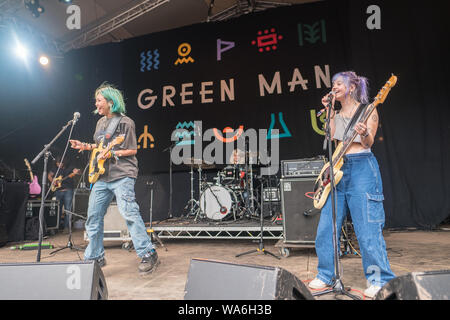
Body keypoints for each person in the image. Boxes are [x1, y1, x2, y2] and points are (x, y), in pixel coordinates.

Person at [308, 71, 395, 298]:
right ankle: (326, 275)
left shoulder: (368, 110)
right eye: (332, 84)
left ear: (352, 87)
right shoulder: (334, 113)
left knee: (367, 228)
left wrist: (364, 132)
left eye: (338, 83)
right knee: (327, 226)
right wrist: (328, 112)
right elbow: (332, 140)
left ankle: (379, 279)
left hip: (362, 168)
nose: (334, 87)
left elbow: (368, 142)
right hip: (338, 168)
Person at [69, 82, 159, 274]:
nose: (96, 104)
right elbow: (99, 146)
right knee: (93, 217)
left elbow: (133, 150)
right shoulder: (100, 123)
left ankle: (148, 252)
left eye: (99, 100)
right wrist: (84, 146)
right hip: (101, 176)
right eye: (96, 101)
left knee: (129, 213)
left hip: (122, 174)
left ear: (111, 101)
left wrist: (111, 154)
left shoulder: (126, 122)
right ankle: (95, 257)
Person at [48, 156, 80, 232]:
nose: (59, 165)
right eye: (58, 163)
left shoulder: (70, 167)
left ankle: (66, 228)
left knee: (68, 210)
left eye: (61, 163)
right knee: (57, 210)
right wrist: (53, 181)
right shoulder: (55, 168)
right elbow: (49, 175)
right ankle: (56, 227)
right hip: (58, 191)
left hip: (68, 191)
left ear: (64, 162)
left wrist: (77, 171)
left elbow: (78, 171)